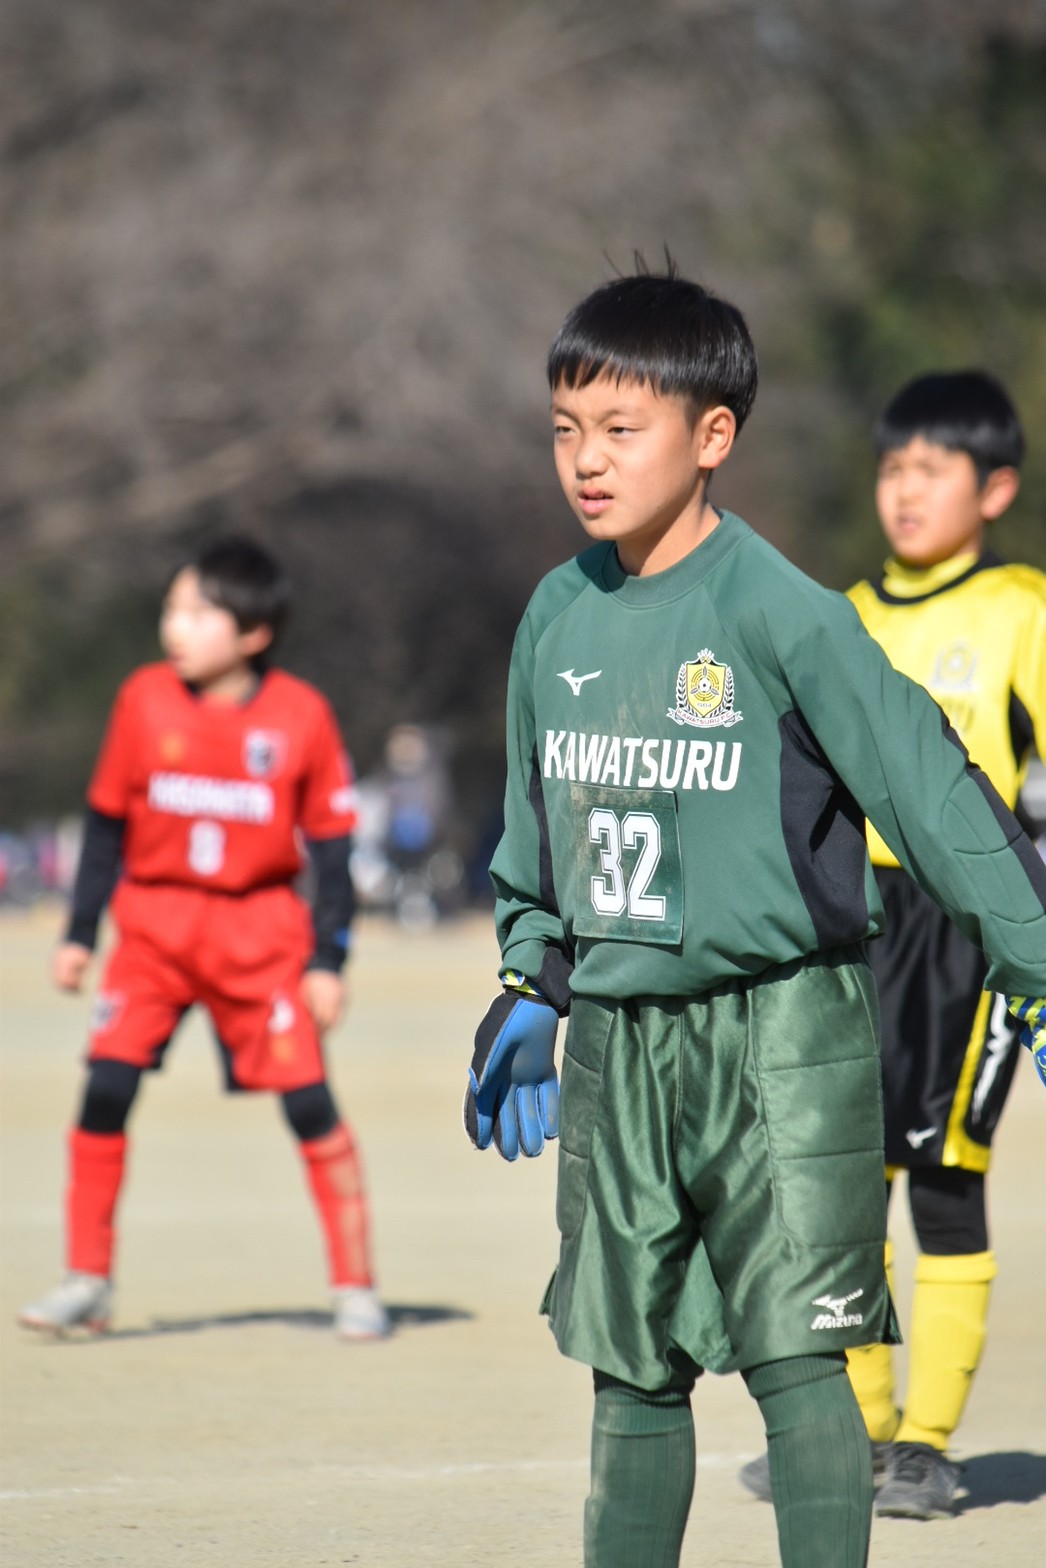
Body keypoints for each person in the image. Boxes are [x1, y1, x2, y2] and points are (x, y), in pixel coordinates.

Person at [461, 267, 1046, 1568]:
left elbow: (936, 793)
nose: (586, 462)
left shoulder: (785, 614)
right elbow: (535, 834)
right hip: (620, 1049)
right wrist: (528, 982)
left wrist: (1036, 962)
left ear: (711, 437)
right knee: (630, 1372)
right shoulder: (555, 617)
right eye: (565, 429)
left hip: (779, 1038)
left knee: (796, 1359)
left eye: (621, 430)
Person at [19, 537, 389, 1342]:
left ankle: (355, 1285)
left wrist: (328, 961)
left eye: (195, 611)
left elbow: (331, 853)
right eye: (170, 609)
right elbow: (107, 823)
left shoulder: (301, 717)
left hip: (259, 935)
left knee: (308, 1103)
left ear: (253, 633)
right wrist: (81, 933)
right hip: (152, 931)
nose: (173, 627)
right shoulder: (143, 701)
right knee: (105, 1089)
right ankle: (87, 1280)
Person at [841, 373, 1044, 1516]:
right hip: (850, 922)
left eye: (929, 469)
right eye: (889, 468)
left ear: (994, 487)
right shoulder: (842, 613)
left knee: (944, 1174)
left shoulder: (1022, 605)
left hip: (969, 927)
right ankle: (858, 1430)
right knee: (843, 1181)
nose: (903, 490)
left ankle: (924, 1439)